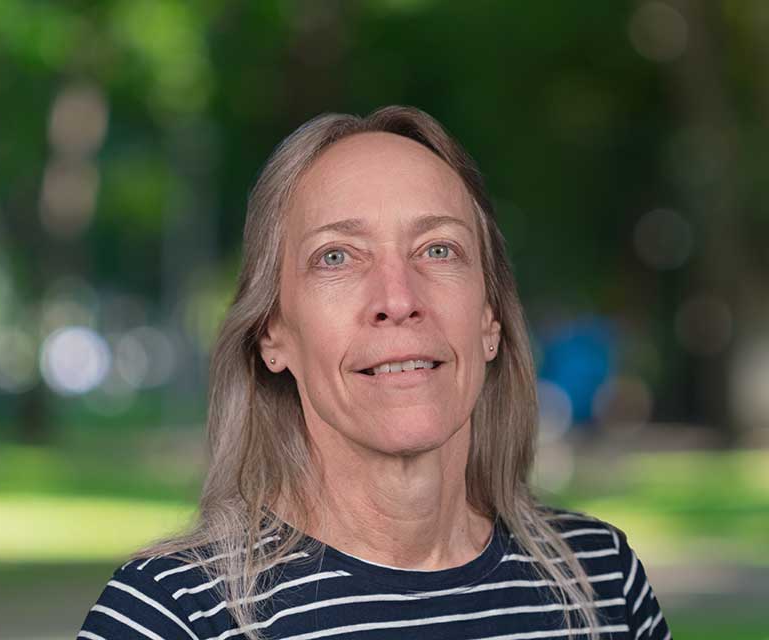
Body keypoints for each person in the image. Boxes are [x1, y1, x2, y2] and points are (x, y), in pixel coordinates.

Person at [78, 106, 671, 640]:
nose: (398, 297)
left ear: (489, 319)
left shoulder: (604, 584)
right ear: (273, 333)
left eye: (438, 249)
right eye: (336, 257)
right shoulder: (173, 617)